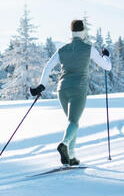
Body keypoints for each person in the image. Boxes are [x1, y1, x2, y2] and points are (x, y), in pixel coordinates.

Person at [30, 19, 111, 166]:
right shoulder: (89, 49)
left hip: (62, 90)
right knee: (74, 122)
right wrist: (106, 56)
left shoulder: (62, 49)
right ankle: (64, 145)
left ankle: (71, 157)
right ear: (83, 32)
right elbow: (107, 67)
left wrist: (42, 85)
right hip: (78, 89)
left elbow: (48, 66)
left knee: (72, 123)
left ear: (71, 32)